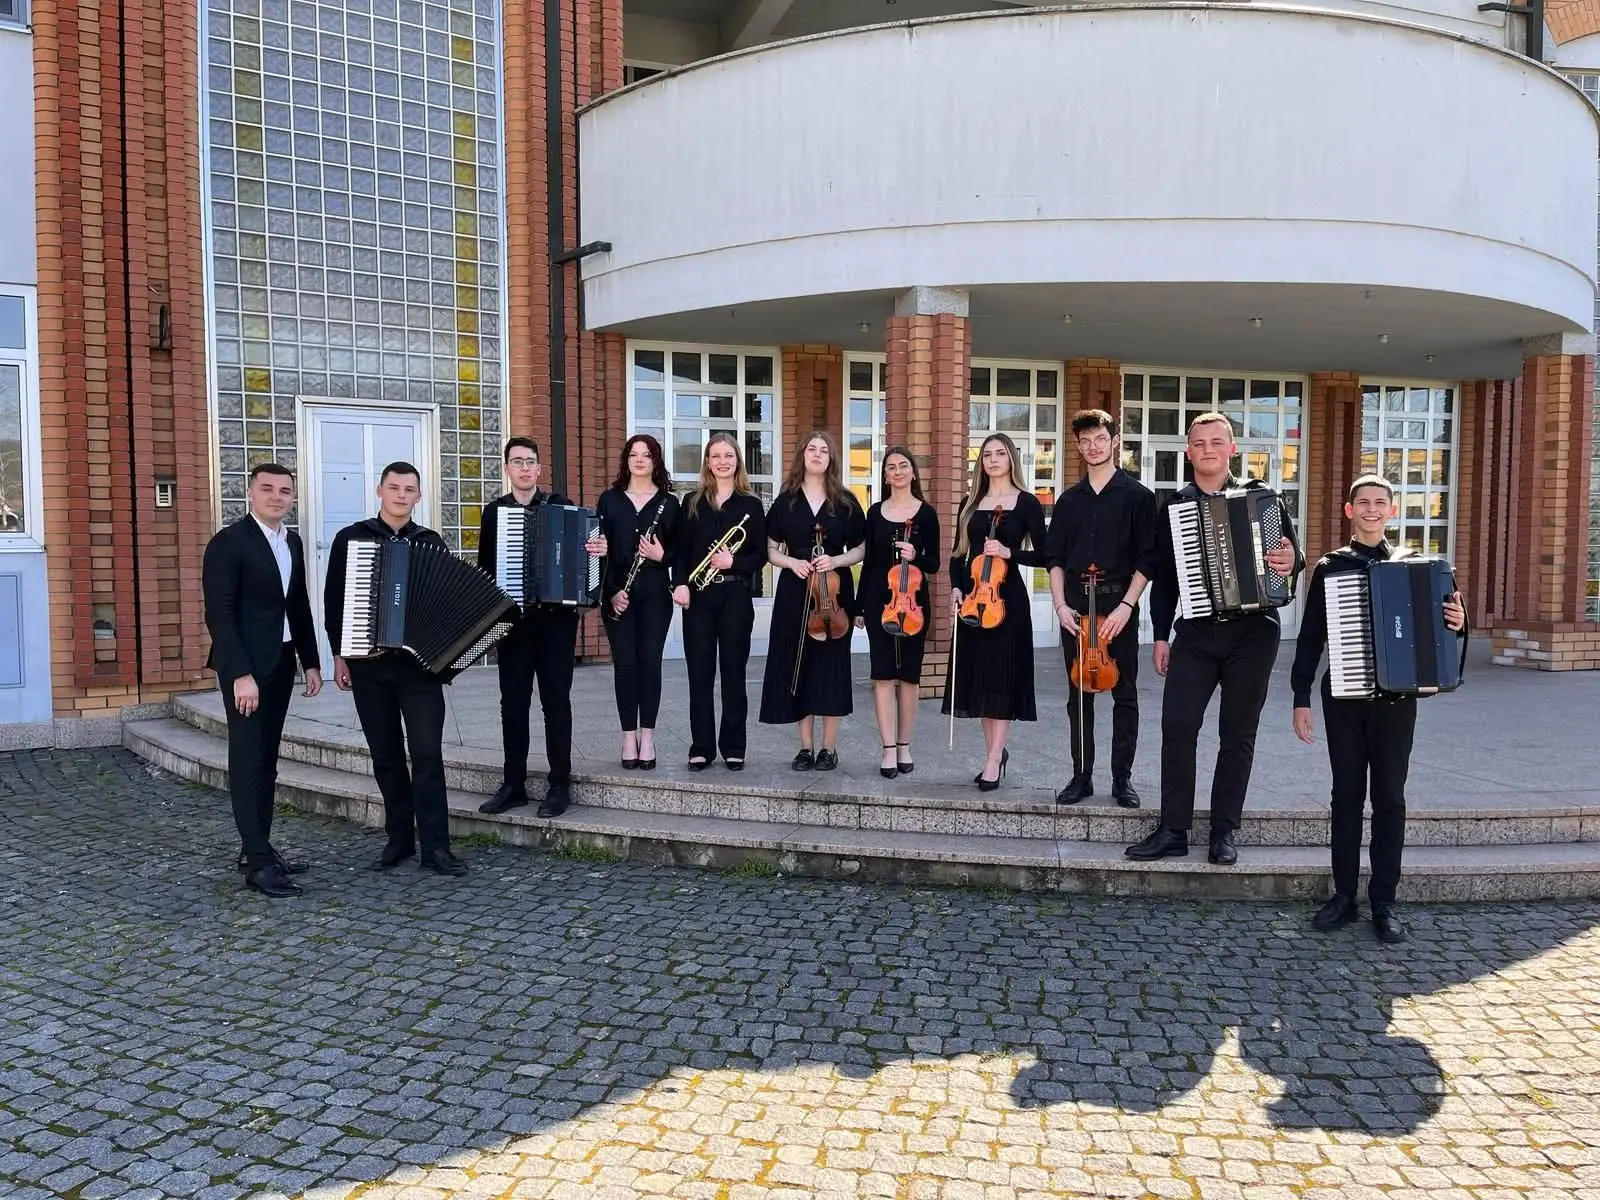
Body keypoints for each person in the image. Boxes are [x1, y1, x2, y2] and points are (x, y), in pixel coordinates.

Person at [1291, 474, 1467, 945]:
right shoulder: (1331, 567)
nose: (1371, 509)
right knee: (1346, 796)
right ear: (1350, 511)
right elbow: (1310, 638)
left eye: (1380, 502)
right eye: (1363, 502)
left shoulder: (1416, 566)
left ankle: (1384, 901)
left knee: (1390, 797)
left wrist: (1458, 620)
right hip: (1343, 700)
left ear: (1392, 510)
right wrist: (1300, 697)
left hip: (1396, 702)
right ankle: (1344, 896)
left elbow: (1444, 630)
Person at [1126, 412, 1303, 865]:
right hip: (1197, 632)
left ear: (1232, 449)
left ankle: (1224, 831)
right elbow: (1165, 579)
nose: (1207, 449)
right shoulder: (1174, 507)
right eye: (1199, 443)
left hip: (1254, 632)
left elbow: (1291, 556)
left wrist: (1291, 561)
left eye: (1216, 442)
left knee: (1237, 733)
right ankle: (1173, 829)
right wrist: (1160, 636)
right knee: (1178, 725)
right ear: (1188, 453)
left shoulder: (1263, 498)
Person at [323, 461, 467, 877]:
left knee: (427, 755)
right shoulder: (352, 538)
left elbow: (443, 605)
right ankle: (399, 839)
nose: (401, 495)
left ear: (418, 496)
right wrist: (339, 655)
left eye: (409, 489)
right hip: (368, 666)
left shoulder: (431, 542)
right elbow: (334, 600)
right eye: (394, 487)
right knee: (385, 755)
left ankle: (436, 847)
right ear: (379, 491)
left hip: (418, 670)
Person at [202, 463, 323, 898]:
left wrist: (311, 661)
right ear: (250, 493)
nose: (276, 496)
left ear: (293, 498)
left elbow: (298, 605)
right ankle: (258, 865)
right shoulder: (228, 543)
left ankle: (257, 847)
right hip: (246, 670)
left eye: (285, 490)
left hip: (281, 662)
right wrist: (240, 674)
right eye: (267, 488)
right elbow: (219, 614)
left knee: (267, 761)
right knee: (248, 760)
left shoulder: (292, 542)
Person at [475, 437, 606, 818]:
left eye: (530, 461)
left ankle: (559, 784)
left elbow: (588, 555)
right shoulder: (494, 513)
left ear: (539, 468)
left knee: (556, 703)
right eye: (517, 461)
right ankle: (513, 784)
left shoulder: (561, 506)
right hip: (513, 625)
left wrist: (598, 551)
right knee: (513, 705)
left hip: (555, 624)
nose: (524, 468)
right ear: (507, 468)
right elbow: (486, 571)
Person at [1045, 409, 1158, 808]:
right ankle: (1081, 776)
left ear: (1115, 442)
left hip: (1118, 606)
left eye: (1100, 439)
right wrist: (1060, 605)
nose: (1093, 446)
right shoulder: (1068, 501)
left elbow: (1148, 559)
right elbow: (1055, 559)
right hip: (1077, 609)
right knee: (1079, 696)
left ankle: (1122, 778)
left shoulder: (1139, 497)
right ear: (1078, 446)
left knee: (1124, 695)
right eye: (1086, 441)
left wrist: (1128, 606)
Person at [944, 433, 1048, 790]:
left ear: (1011, 459)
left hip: (1008, 602)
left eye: (1000, 453)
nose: (993, 459)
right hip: (974, 600)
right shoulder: (970, 503)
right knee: (982, 682)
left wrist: (1008, 553)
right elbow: (958, 554)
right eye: (987, 454)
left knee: (1002, 681)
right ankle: (995, 753)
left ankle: (991, 760)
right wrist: (956, 587)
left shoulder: (1027, 503)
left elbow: (1046, 555)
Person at [760, 431, 868, 770]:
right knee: (799, 666)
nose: (817, 454)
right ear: (802, 455)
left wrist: (835, 561)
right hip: (795, 591)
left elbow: (862, 548)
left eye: (824, 450)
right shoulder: (786, 501)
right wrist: (792, 563)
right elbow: (770, 549)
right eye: (812, 449)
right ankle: (805, 748)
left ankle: (828, 749)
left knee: (831, 668)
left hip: (833, 592)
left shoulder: (845, 501)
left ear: (831, 458)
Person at [672, 433, 768, 770]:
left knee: (733, 674)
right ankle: (701, 747)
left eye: (728, 455)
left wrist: (733, 562)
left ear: (737, 460)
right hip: (698, 598)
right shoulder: (692, 502)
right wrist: (680, 584)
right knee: (699, 675)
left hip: (735, 596)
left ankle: (733, 747)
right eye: (716, 456)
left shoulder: (751, 505)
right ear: (708, 462)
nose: (723, 462)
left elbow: (760, 556)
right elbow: (681, 551)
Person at [855, 447, 940, 778]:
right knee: (882, 676)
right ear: (886, 476)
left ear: (913, 473)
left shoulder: (927, 514)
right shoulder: (875, 513)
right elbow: (869, 562)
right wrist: (859, 606)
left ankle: (904, 745)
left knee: (908, 678)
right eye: (891, 467)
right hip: (880, 602)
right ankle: (888, 748)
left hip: (914, 604)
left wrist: (916, 555)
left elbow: (934, 563)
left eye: (903, 466)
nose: (898, 471)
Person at [597, 434, 679, 770]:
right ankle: (628, 737)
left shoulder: (669, 503)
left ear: (655, 460)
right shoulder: (609, 500)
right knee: (625, 666)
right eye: (634, 455)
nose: (640, 460)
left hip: (656, 596)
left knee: (650, 665)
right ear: (626, 460)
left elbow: (682, 553)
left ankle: (648, 737)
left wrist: (662, 556)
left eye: (647, 455)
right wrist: (611, 593)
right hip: (619, 595)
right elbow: (599, 553)